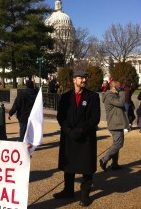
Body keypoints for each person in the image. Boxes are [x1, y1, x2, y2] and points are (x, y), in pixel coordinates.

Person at [53, 71, 100, 207]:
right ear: (74, 80)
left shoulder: (93, 96)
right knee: (69, 165)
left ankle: (85, 195)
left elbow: (95, 118)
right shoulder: (66, 96)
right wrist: (67, 129)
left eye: (85, 77)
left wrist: (81, 129)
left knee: (86, 167)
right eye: (80, 78)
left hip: (85, 137)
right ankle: (68, 190)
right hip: (69, 136)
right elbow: (61, 116)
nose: (84, 80)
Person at [99, 81, 129, 171]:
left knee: (117, 144)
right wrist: (122, 92)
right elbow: (121, 103)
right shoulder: (109, 96)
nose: (121, 88)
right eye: (119, 87)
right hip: (114, 123)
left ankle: (114, 164)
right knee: (118, 144)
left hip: (117, 123)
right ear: (114, 88)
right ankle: (104, 160)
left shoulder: (113, 95)